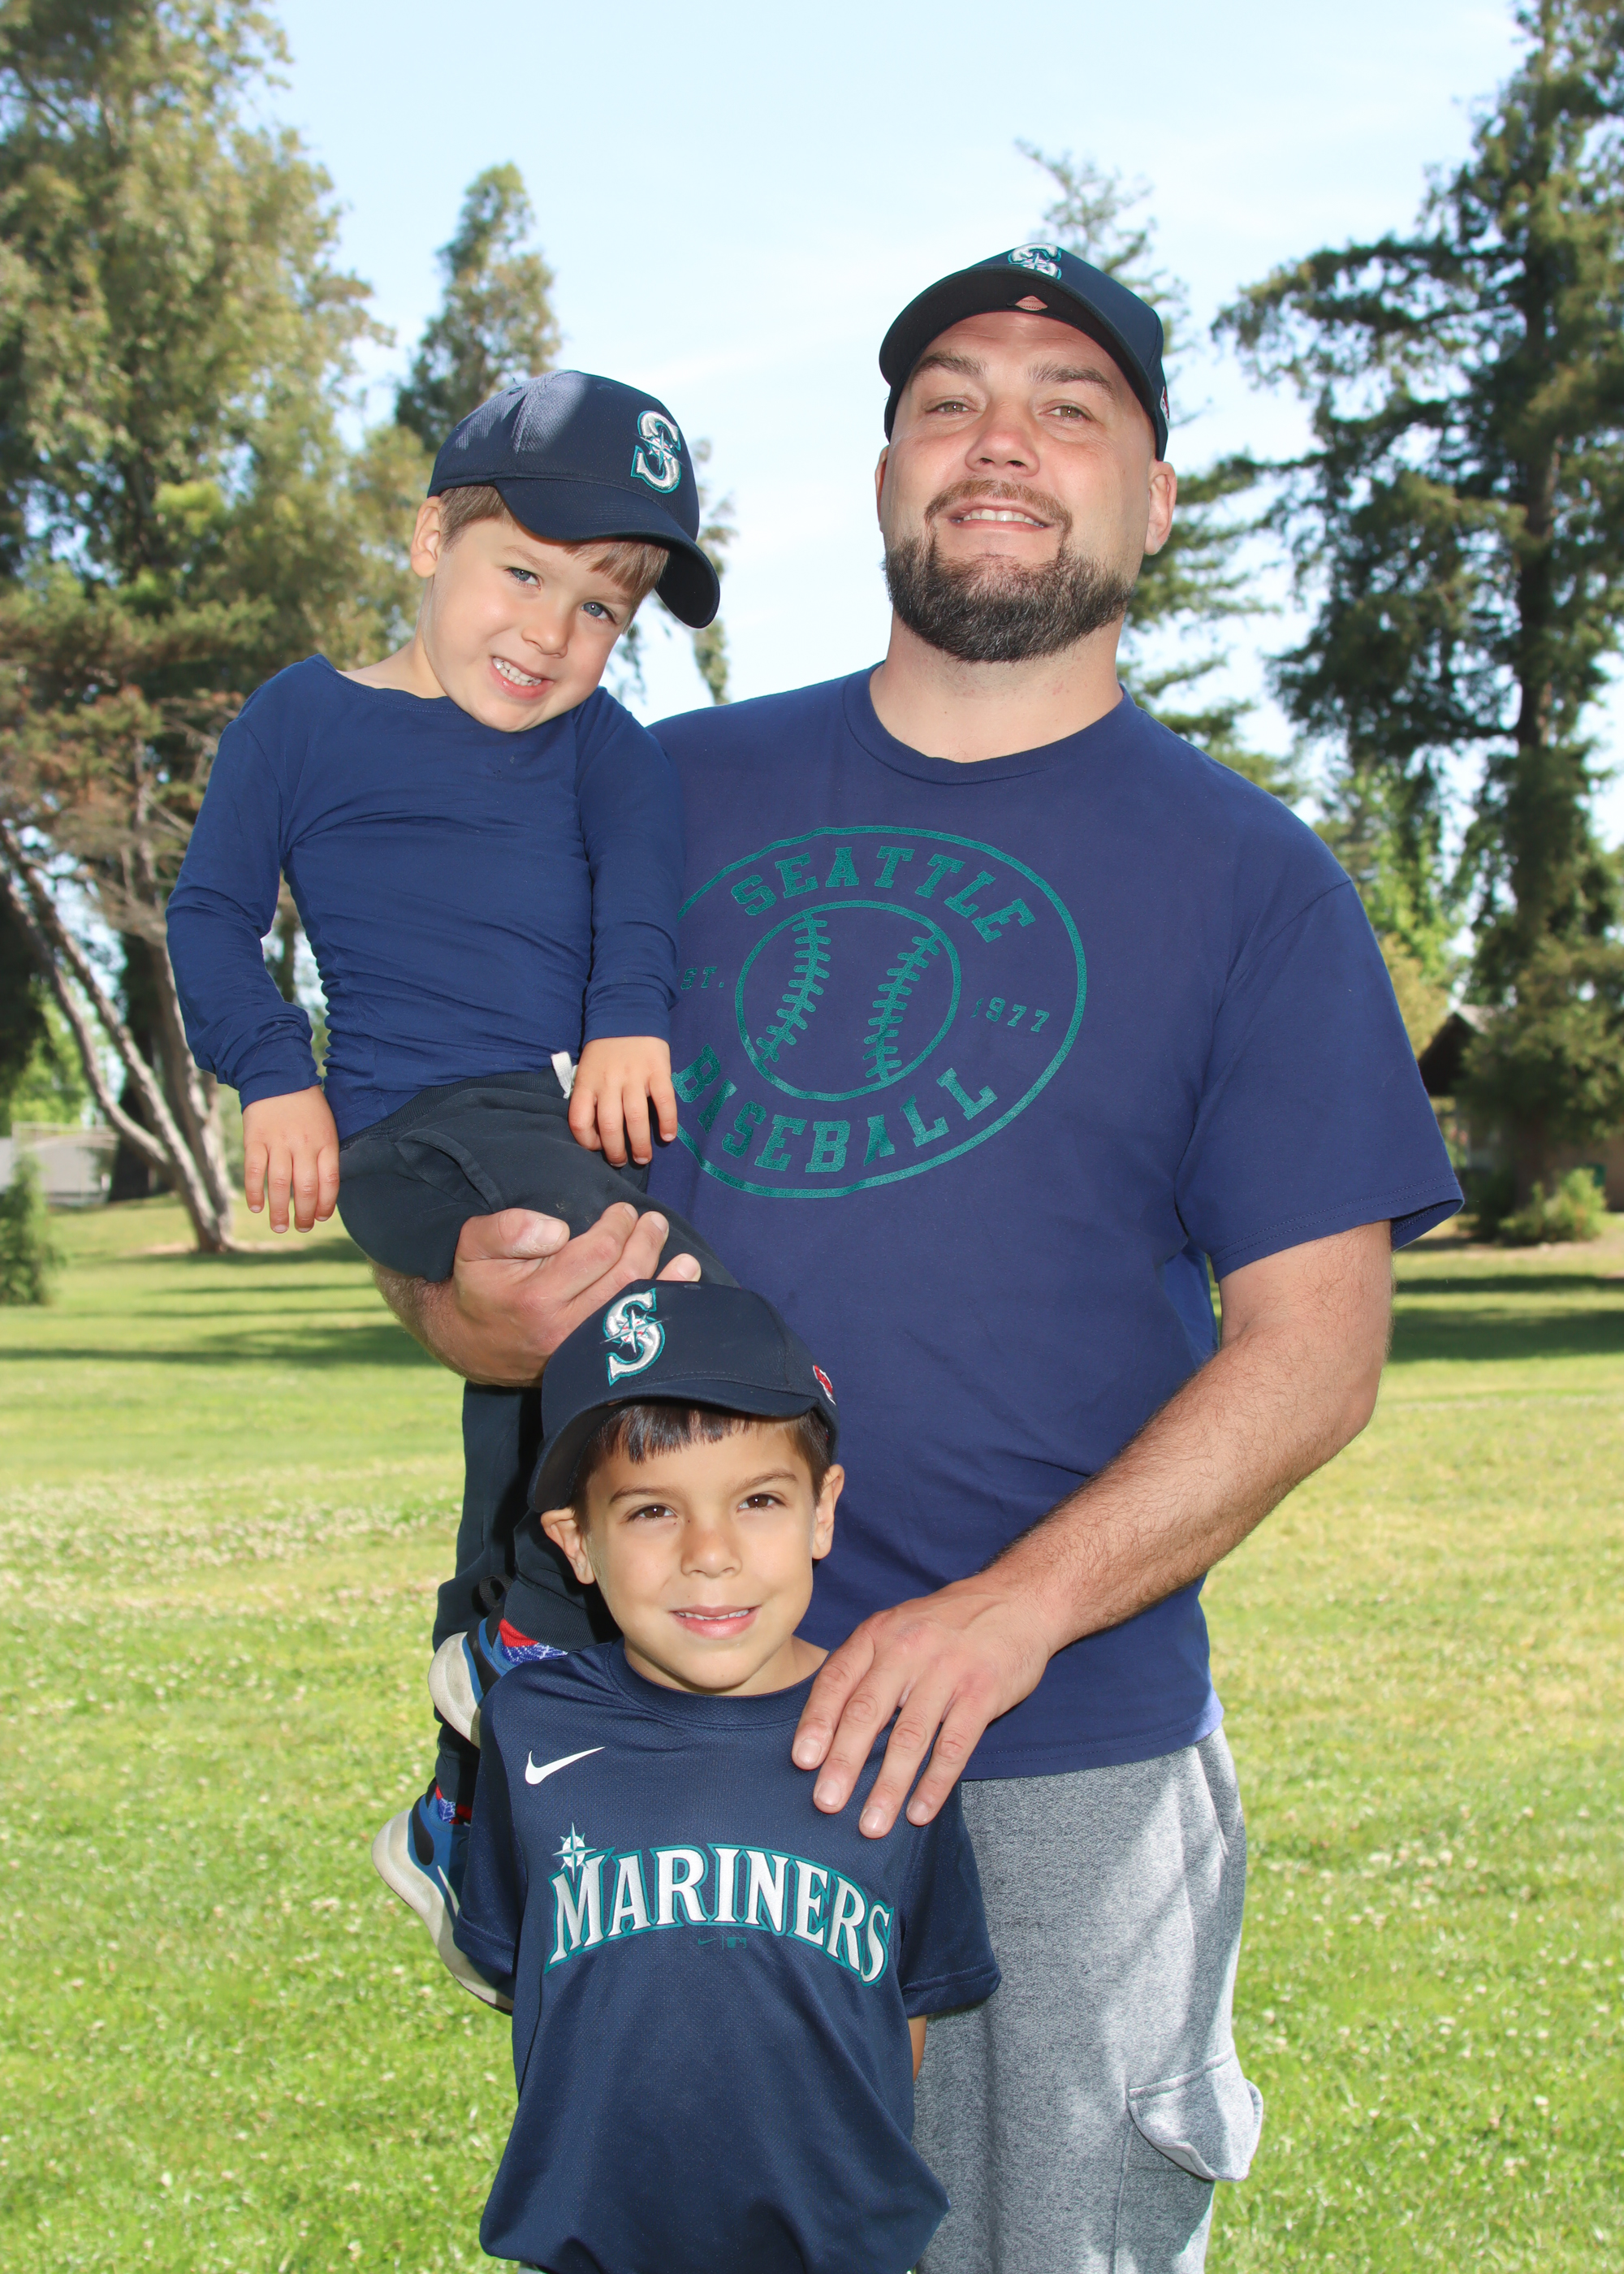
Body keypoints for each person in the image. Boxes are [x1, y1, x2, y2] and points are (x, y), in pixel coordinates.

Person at [374, 243, 1463, 2272]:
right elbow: (446, 1179)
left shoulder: (1253, 883)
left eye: (1070, 410)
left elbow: (1313, 1350)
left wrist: (1001, 1618)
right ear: (883, 475)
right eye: (948, 401)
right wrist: (463, 1301)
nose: (1000, 441)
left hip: (1052, 1753)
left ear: (1153, 497)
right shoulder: (651, 796)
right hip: (675, 1738)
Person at [165, 370, 735, 2006]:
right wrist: (273, 1071)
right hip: (412, 1128)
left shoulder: (605, 750)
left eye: (603, 607)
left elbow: (642, 898)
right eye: (522, 572)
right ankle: (520, 1629)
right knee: (655, 1308)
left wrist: (626, 1020)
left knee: (566, 1361)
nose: (553, 632)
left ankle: (464, 1810)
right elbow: (211, 914)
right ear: (429, 540)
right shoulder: (302, 720)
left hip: (554, 1113)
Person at [456, 1278, 999, 2274]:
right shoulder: (530, 1725)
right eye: (651, 1509)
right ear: (577, 1541)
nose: (709, 1554)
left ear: (821, 1512)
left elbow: (904, 2004)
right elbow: (527, 1971)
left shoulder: (890, 1731)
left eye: (757, 1501)